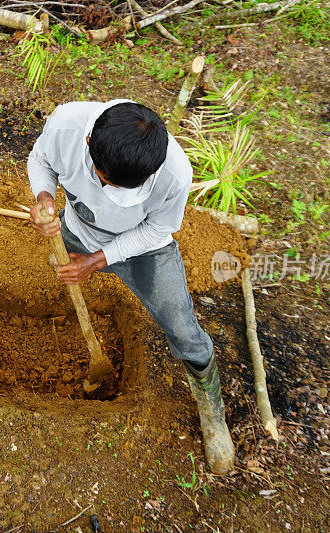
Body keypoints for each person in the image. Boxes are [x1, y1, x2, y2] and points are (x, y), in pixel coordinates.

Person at [26, 99, 235, 475]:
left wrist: (97, 261)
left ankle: (210, 405)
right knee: (58, 269)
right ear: (89, 143)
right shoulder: (66, 128)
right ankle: (77, 261)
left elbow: (157, 228)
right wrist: (44, 197)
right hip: (79, 229)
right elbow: (41, 160)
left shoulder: (174, 173)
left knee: (182, 325)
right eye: (107, 180)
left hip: (143, 250)